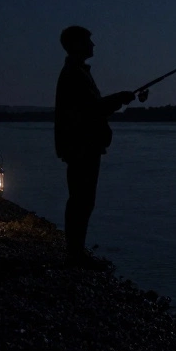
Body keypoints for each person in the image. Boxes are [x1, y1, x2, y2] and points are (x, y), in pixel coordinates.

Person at [54, 25, 145, 268]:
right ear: (76, 44)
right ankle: (75, 255)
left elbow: (91, 108)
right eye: (88, 41)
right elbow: (92, 110)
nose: (93, 45)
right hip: (82, 146)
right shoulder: (74, 74)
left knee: (81, 200)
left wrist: (118, 98)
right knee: (82, 201)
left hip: (82, 145)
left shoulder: (76, 72)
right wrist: (120, 98)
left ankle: (75, 252)